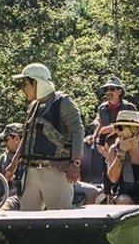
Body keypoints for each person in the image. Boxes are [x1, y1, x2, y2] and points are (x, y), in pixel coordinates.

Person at [5, 63, 84, 210]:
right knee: (26, 222)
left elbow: (77, 130)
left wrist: (75, 162)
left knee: (60, 222)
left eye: (25, 83)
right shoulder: (33, 106)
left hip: (56, 172)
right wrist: (14, 162)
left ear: (36, 82)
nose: (23, 89)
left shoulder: (63, 102)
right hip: (31, 173)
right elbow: (28, 136)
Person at [86, 77, 138, 201]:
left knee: (128, 177)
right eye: (106, 89)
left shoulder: (129, 107)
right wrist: (95, 139)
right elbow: (100, 126)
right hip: (109, 148)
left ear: (119, 91)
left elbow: (137, 126)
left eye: (112, 89)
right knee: (108, 181)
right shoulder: (102, 108)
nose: (108, 92)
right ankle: (110, 207)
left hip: (127, 146)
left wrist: (114, 128)